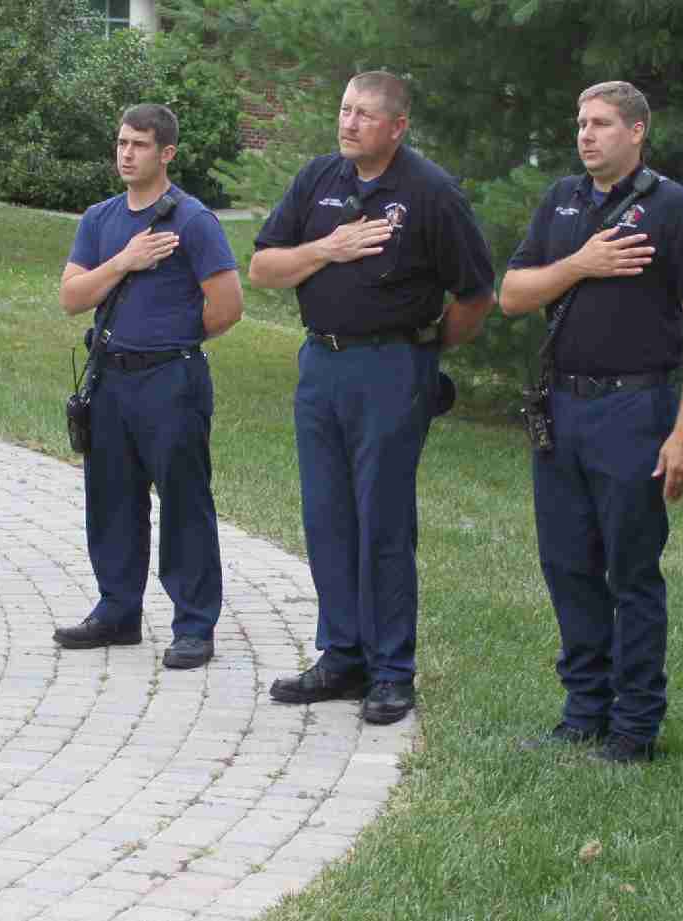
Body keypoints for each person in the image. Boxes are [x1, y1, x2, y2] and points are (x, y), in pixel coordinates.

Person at [249, 71, 495, 725]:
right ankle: (341, 656)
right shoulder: (317, 180)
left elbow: (475, 294)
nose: (348, 122)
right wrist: (325, 248)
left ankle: (391, 671)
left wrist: (423, 350)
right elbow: (263, 267)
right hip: (320, 365)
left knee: (381, 521)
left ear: (397, 126)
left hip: (392, 367)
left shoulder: (430, 193)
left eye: (363, 114)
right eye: (344, 109)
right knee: (326, 516)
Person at [499, 80, 683, 764]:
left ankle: (634, 725)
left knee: (630, 569)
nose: (585, 134)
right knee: (567, 563)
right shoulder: (561, 201)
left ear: (635, 132)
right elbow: (511, 295)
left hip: (634, 408)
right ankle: (583, 711)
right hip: (561, 407)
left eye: (600, 123)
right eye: (579, 122)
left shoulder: (672, 210)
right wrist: (581, 262)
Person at [53, 103, 244, 670]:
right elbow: (72, 297)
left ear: (166, 153)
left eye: (138, 144)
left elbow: (228, 307)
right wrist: (126, 260)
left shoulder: (192, 221)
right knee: (110, 498)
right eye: (120, 143)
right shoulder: (101, 219)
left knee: (184, 501)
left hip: (171, 379)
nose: (126, 153)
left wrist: (173, 342)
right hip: (110, 377)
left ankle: (193, 624)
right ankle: (118, 611)